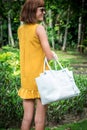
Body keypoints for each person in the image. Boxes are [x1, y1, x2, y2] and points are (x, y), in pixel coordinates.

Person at [18, 0, 57, 130]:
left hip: (27, 78)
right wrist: (53, 54)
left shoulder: (21, 29)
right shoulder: (39, 29)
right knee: (39, 120)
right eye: (41, 9)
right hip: (41, 78)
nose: (43, 12)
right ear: (33, 10)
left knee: (27, 117)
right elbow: (48, 55)